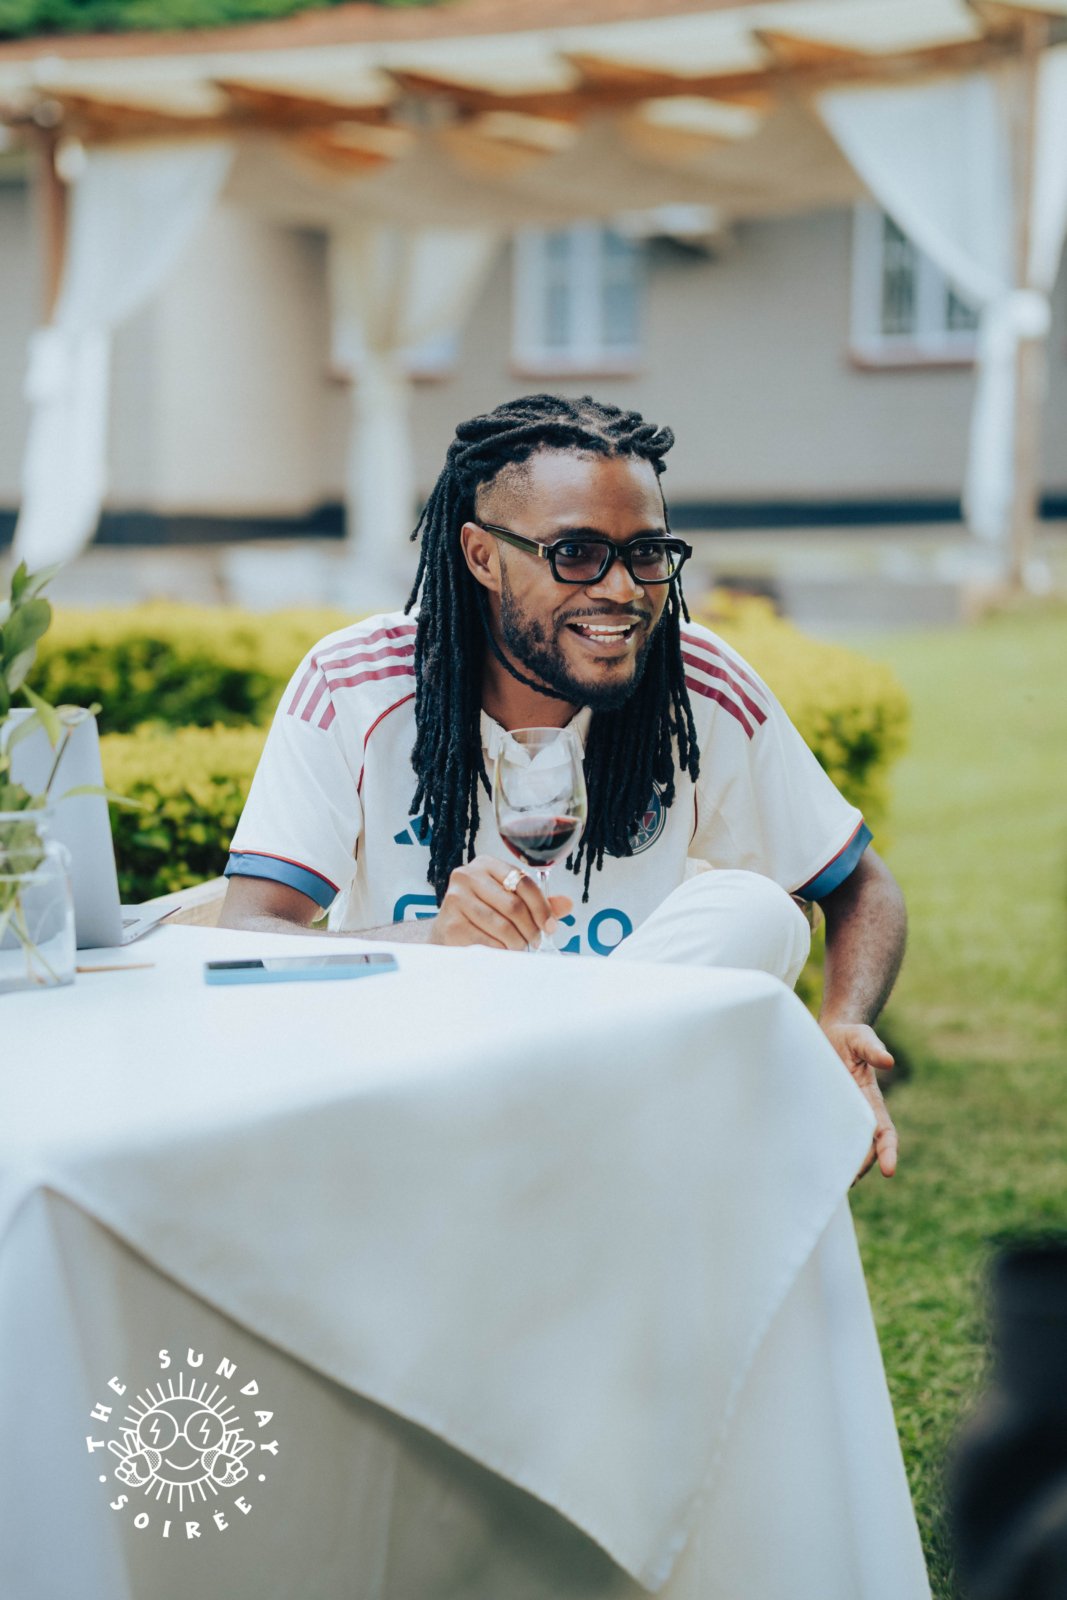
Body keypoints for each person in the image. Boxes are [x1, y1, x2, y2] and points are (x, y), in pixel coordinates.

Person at [221, 394, 906, 1178]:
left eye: (646, 553)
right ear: (482, 556)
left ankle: (551, 1140)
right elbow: (245, 935)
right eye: (576, 553)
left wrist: (841, 1022)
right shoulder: (353, 685)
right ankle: (565, 1150)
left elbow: (861, 886)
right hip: (420, 1077)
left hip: (615, 1081)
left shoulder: (697, 686)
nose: (622, 589)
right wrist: (432, 941)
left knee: (759, 912)